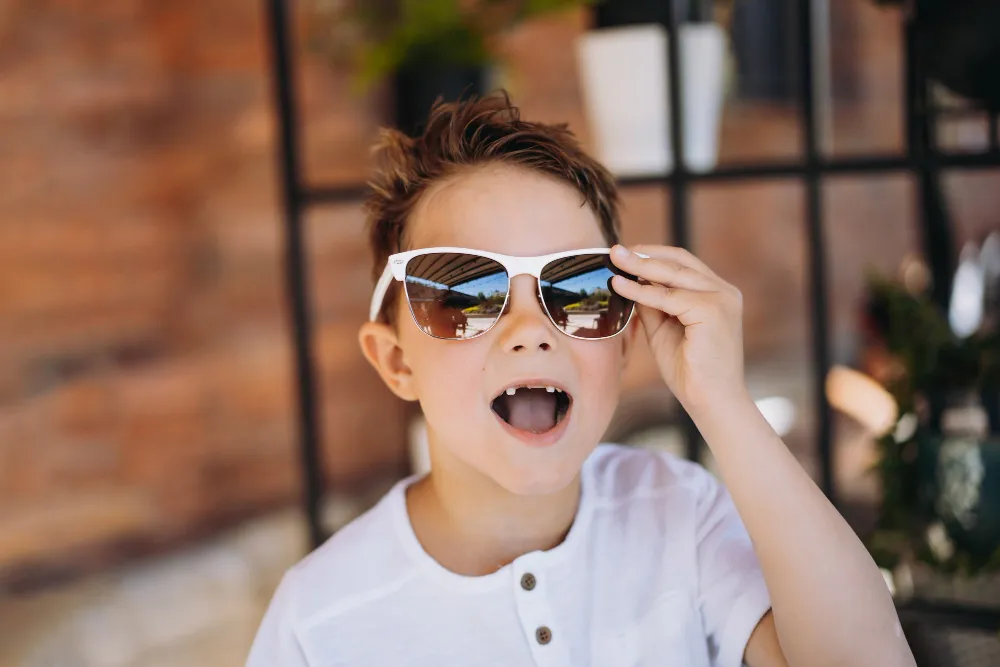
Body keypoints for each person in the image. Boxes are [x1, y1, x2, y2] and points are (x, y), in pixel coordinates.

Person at [246, 92, 915, 667]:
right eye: (464, 293)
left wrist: (725, 405)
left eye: (578, 289)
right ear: (397, 362)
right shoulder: (319, 619)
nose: (530, 329)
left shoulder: (679, 513)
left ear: (624, 342)